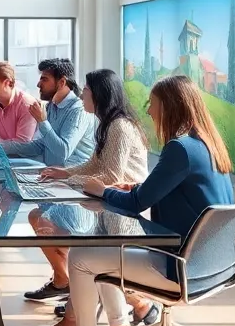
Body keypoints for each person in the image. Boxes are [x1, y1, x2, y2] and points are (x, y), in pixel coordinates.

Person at [41, 74, 235, 326]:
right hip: (212, 262)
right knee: (102, 252)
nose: (147, 111)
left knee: (82, 256)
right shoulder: (207, 144)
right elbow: (154, 192)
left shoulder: (179, 149)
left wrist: (103, 190)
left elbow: (136, 204)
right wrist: (133, 189)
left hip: (179, 265)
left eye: (152, 104)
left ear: (171, 106)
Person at [23, 68, 149, 303]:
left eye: (87, 91)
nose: (82, 96)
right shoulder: (107, 124)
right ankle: (75, 299)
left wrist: (68, 179)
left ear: (100, 94)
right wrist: (64, 172)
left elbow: (111, 176)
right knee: (48, 226)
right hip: (106, 205)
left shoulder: (119, 127)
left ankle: (135, 304)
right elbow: (93, 165)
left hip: (123, 214)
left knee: (79, 256)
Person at [1, 59, 96, 169]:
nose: (38, 84)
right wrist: (1, 147)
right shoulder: (51, 106)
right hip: (53, 175)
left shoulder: (78, 110)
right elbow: (42, 145)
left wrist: (42, 121)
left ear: (61, 83)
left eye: (44, 79)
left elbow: (63, 152)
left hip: (73, 179)